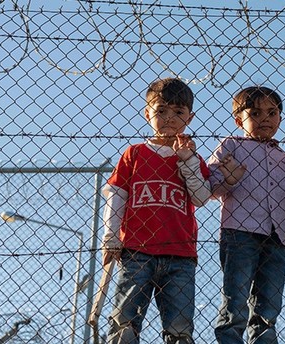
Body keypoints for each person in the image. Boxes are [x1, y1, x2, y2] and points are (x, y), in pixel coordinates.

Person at [100, 77, 244, 344]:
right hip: (137, 250)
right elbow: (117, 194)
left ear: (189, 117)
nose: (169, 118)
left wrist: (187, 161)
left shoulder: (193, 158)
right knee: (125, 322)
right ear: (148, 114)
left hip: (180, 255)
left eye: (178, 112)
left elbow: (201, 197)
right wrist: (110, 236)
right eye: (161, 110)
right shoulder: (135, 154)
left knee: (179, 328)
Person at [207, 85, 285, 344]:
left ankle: (264, 340)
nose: (265, 118)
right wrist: (229, 178)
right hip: (239, 234)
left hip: (276, 237)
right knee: (236, 297)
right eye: (255, 113)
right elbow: (211, 186)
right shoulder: (231, 146)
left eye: (272, 112)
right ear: (238, 120)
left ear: (279, 117)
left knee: (269, 301)